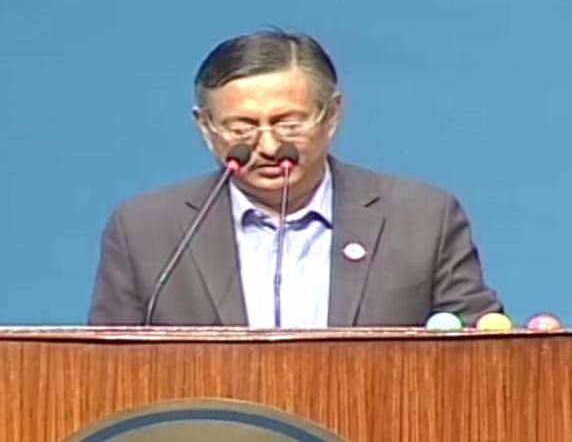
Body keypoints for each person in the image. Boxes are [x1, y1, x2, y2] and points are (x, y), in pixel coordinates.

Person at [88, 30, 502, 327]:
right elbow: (107, 370)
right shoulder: (146, 231)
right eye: (241, 128)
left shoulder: (421, 218)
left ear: (331, 115)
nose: (268, 146)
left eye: (288, 124)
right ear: (205, 128)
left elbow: (480, 344)